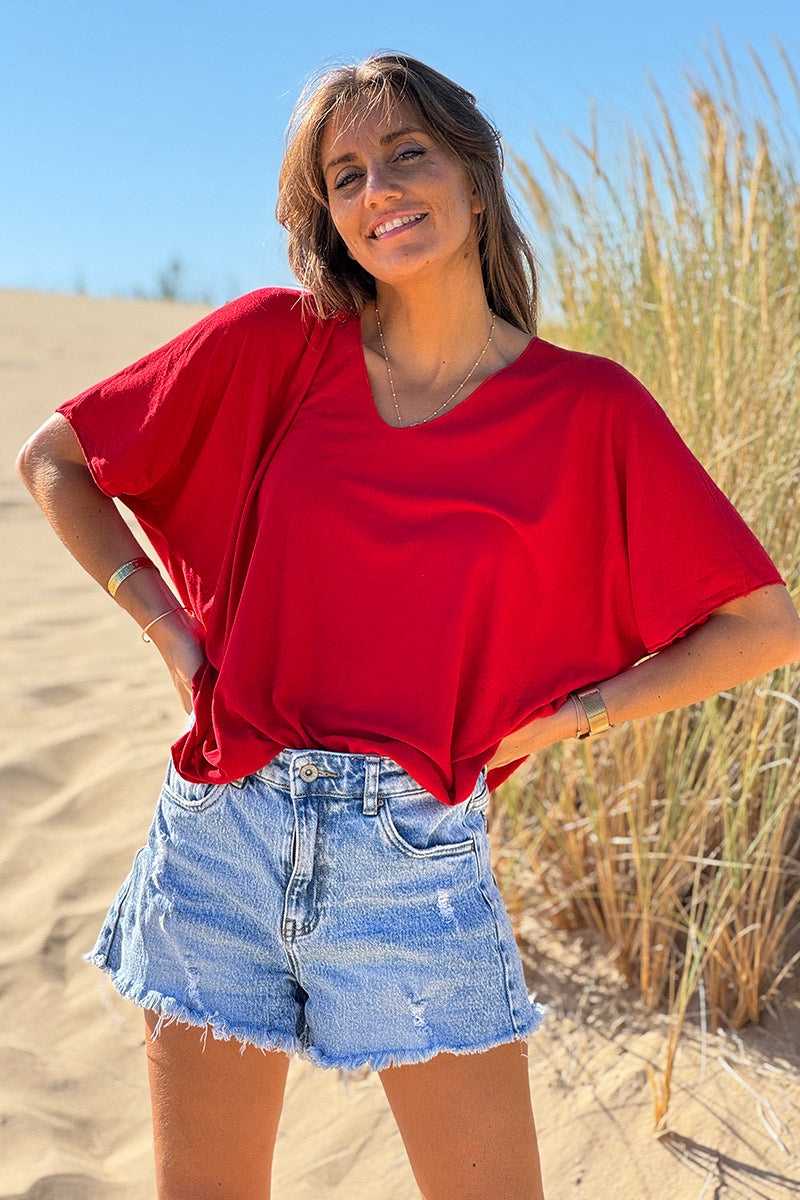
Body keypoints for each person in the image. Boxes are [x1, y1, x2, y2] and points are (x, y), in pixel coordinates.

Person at [16, 51, 800, 1200]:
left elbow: (759, 624)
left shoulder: (587, 410)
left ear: (475, 181)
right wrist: (168, 632)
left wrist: (579, 714)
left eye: (406, 153)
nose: (377, 187)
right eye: (344, 174)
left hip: (413, 857)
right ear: (326, 216)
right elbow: (56, 461)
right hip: (223, 831)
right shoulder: (275, 345)